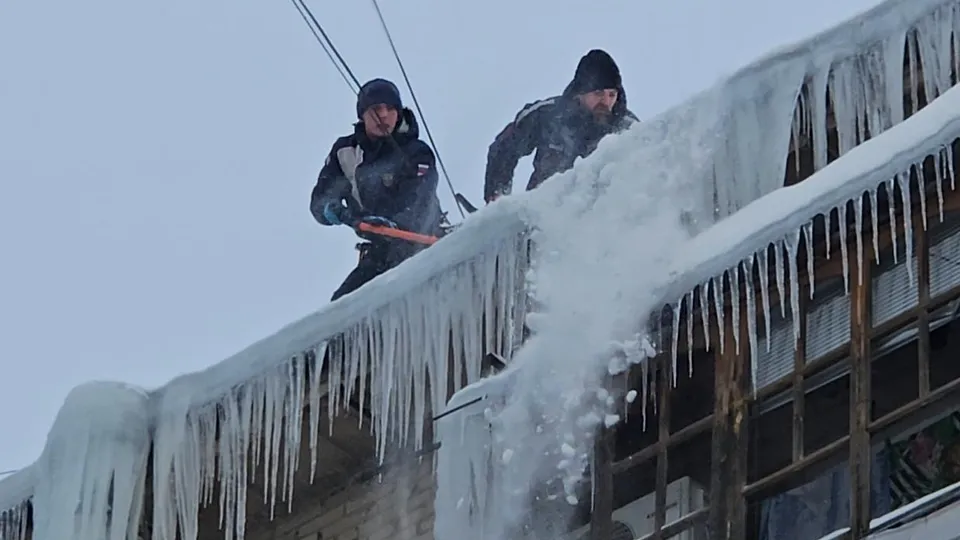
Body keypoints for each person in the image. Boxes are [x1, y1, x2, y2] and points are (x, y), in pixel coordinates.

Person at [310, 78, 444, 301]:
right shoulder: (345, 152)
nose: (383, 115)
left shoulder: (416, 153)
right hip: (380, 253)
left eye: (390, 108)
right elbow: (320, 199)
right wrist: (331, 209)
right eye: (376, 109)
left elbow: (420, 199)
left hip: (425, 247)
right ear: (362, 115)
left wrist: (392, 223)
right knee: (340, 311)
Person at [483, 49, 639, 203]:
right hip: (539, 217)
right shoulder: (547, 115)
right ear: (580, 92)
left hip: (602, 221)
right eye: (598, 93)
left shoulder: (629, 130)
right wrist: (497, 196)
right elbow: (505, 148)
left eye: (612, 94)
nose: (606, 102)